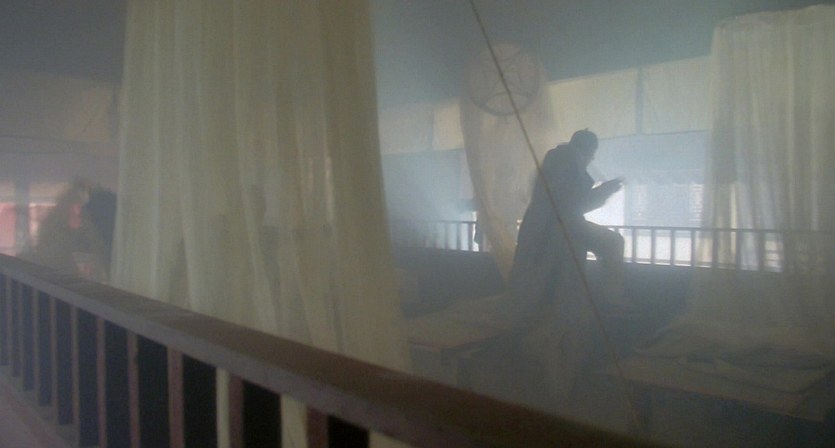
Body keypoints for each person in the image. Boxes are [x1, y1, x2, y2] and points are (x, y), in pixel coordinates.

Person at [505, 129, 625, 399]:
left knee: (537, 297)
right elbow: (571, 203)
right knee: (612, 244)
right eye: (592, 155)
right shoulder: (569, 160)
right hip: (558, 232)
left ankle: (547, 376)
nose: (591, 160)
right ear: (588, 150)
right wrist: (605, 190)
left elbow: (566, 201)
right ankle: (611, 298)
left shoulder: (557, 159)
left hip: (547, 233)